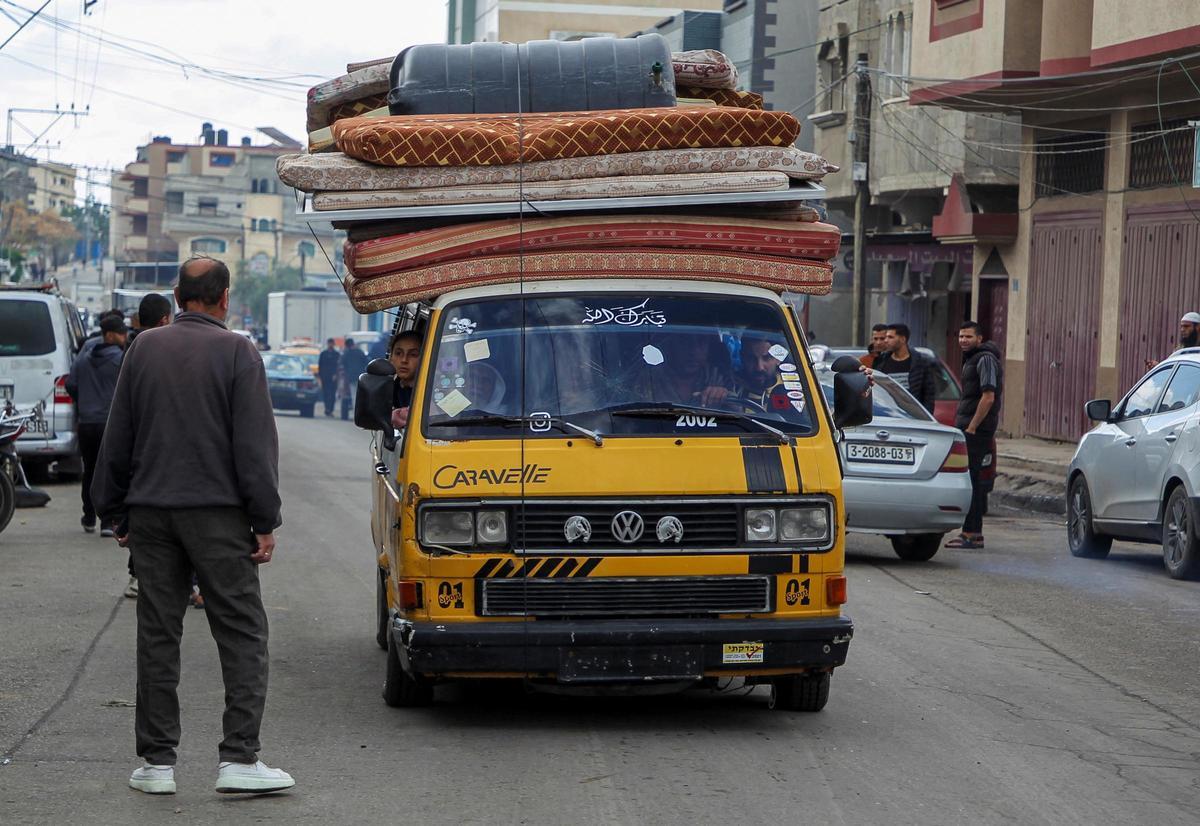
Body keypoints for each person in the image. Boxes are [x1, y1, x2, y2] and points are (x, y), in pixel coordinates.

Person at [91, 256, 294, 796]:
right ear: (224, 298)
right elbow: (254, 447)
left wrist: (114, 510)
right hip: (219, 516)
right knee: (243, 632)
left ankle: (157, 765)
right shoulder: (237, 352)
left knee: (158, 635)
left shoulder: (143, 349)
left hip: (153, 514)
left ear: (179, 296)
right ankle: (239, 759)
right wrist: (263, 520)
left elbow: (120, 436)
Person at [66, 314, 128, 542]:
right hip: (108, 424)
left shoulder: (83, 359)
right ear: (110, 335)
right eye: (121, 333)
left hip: (86, 423)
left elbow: (71, 384)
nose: (124, 337)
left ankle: (89, 515)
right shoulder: (120, 360)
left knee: (89, 470)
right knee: (109, 471)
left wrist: (84, 402)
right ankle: (107, 521)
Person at [946, 321, 1003, 550]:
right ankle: (970, 532)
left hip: (976, 430)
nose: (963, 340)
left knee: (974, 481)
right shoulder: (972, 358)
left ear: (979, 338)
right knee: (971, 480)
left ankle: (972, 533)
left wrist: (972, 426)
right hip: (969, 426)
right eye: (960, 336)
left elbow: (988, 396)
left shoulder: (985, 359)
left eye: (968, 336)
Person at [872, 323, 936, 414]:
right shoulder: (881, 361)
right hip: (888, 414)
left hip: (912, 416)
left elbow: (929, 395)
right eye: (886, 337)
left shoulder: (920, 362)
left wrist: (926, 417)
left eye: (890, 337)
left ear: (902, 339)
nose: (885, 340)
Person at [388, 331, 422, 429]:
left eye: (413, 355)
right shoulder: (393, 388)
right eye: (398, 353)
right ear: (391, 358)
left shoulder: (433, 391)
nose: (404, 360)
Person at [340, 338, 369, 420]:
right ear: (353, 344)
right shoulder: (360, 352)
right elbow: (366, 362)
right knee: (361, 395)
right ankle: (361, 414)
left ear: (347, 345)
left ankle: (355, 414)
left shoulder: (346, 353)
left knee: (353, 395)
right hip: (361, 377)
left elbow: (342, 364)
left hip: (351, 377)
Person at [318, 338, 340, 417]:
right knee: (326, 394)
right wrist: (320, 377)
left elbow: (338, 366)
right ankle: (327, 409)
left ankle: (331, 409)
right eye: (329, 343)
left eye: (332, 343)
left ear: (333, 344)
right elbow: (320, 366)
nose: (330, 345)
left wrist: (336, 374)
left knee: (332, 394)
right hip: (325, 377)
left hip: (333, 377)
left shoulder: (336, 354)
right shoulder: (323, 354)